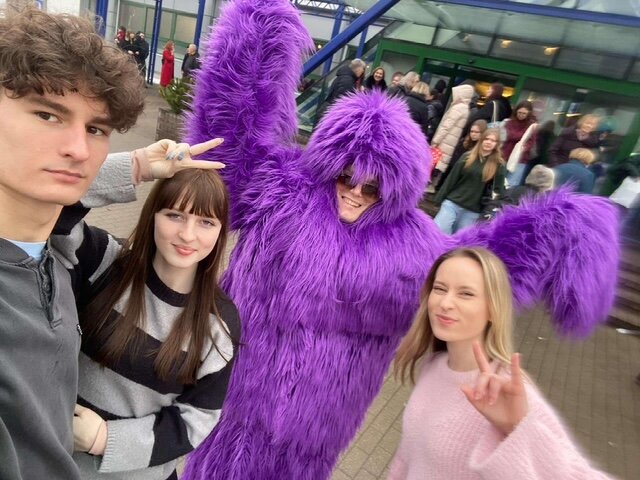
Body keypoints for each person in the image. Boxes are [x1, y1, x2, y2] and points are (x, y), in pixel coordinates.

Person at [181, 2, 619, 479]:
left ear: (396, 187)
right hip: (235, 402)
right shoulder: (283, 192)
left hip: (318, 428)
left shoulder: (416, 243)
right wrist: (254, 37)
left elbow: (481, 269)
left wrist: (560, 226)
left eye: (373, 187)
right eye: (345, 176)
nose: (355, 192)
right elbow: (226, 143)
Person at [0, 8, 145, 480]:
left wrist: (141, 165)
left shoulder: (58, 252)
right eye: (47, 114)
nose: (79, 150)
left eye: (96, 129)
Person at [51, 158, 240, 479]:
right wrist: (136, 167)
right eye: (175, 215)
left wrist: (105, 439)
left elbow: (197, 418)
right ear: (153, 214)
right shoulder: (104, 261)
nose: (188, 235)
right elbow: (50, 210)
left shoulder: (219, 322)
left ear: (221, 231)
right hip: (55, 464)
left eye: (206, 222)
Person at [389, 247, 614, 479]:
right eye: (440, 289)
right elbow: (407, 457)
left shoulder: (508, 394)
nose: (445, 303)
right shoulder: (434, 365)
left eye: (466, 293)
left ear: (493, 309)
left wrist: (515, 428)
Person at [434, 128, 506, 234]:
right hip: (453, 202)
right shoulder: (467, 157)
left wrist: (490, 210)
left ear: (497, 144)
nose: (489, 142)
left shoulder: (499, 165)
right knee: (439, 230)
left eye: (493, 140)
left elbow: (498, 191)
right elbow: (451, 179)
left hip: (473, 210)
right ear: (481, 140)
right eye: (486, 139)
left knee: (459, 239)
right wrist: (439, 198)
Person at [428, 84, 475, 192]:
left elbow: (446, 126)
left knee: (436, 162)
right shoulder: (465, 109)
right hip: (451, 142)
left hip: (445, 141)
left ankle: (429, 185)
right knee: (441, 164)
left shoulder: (458, 108)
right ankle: (433, 185)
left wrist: (436, 140)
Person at [438, 119, 488, 190]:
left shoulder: (484, 148)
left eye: (477, 132)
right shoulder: (464, 143)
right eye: (472, 131)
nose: (473, 134)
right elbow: (454, 164)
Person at [502, 100, 538, 187]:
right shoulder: (509, 122)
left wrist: (524, 147)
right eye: (519, 112)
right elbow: (503, 136)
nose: (521, 115)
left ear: (529, 113)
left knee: (511, 185)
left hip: (520, 158)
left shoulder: (532, 126)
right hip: (505, 155)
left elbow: (532, 142)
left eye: (524, 113)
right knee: (498, 181)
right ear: (516, 111)